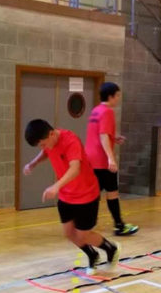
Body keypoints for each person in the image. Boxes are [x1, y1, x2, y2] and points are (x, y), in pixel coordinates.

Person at [23, 119, 121, 274]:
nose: (43, 147)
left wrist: (56, 186)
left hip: (86, 195)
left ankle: (111, 249)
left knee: (83, 236)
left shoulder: (70, 141)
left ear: (51, 134)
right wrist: (33, 163)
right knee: (69, 233)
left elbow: (75, 169)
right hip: (66, 196)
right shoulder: (49, 142)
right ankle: (93, 255)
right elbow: (46, 152)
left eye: (43, 144)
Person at [85, 82, 138, 236]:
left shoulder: (95, 110)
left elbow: (99, 133)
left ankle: (86, 225)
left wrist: (113, 138)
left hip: (90, 159)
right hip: (101, 160)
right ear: (110, 96)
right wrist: (111, 159)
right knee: (112, 193)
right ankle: (119, 226)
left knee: (94, 194)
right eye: (117, 95)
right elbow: (102, 136)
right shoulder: (107, 112)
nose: (118, 98)